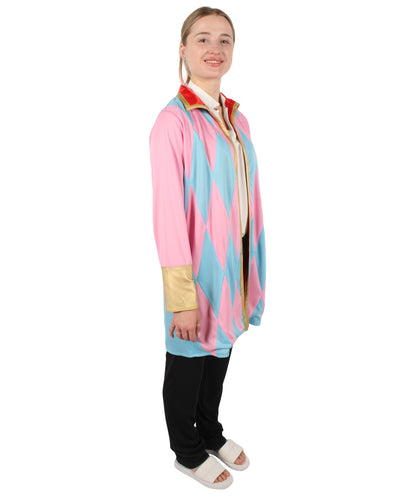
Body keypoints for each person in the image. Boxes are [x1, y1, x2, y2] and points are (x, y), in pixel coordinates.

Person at [149, 6, 266, 490]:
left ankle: (210, 431)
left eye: (224, 39)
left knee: (220, 348)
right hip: (196, 265)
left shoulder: (236, 118)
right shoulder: (173, 122)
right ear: (183, 49)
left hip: (234, 258)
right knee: (189, 356)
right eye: (202, 39)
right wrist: (181, 295)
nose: (214, 48)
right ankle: (187, 450)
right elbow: (167, 213)